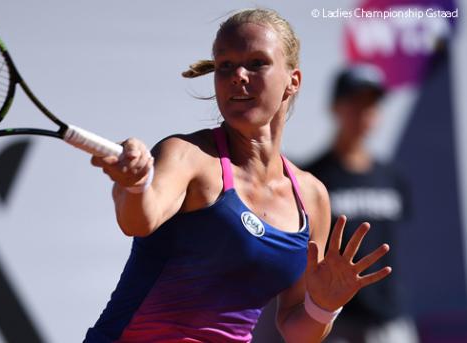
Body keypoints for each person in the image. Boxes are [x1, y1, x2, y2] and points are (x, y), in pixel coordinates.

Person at [86, 9, 392, 343]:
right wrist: (134, 184)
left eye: (257, 63)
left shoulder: (311, 196)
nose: (238, 75)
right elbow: (138, 220)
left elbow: (296, 328)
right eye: (225, 65)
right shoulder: (187, 156)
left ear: (293, 80)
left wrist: (324, 306)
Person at [306, 65, 419, 343]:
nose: (363, 111)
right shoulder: (314, 178)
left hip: (390, 320)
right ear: (335, 108)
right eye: (354, 101)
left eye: (371, 103)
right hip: (334, 323)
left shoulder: (392, 177)